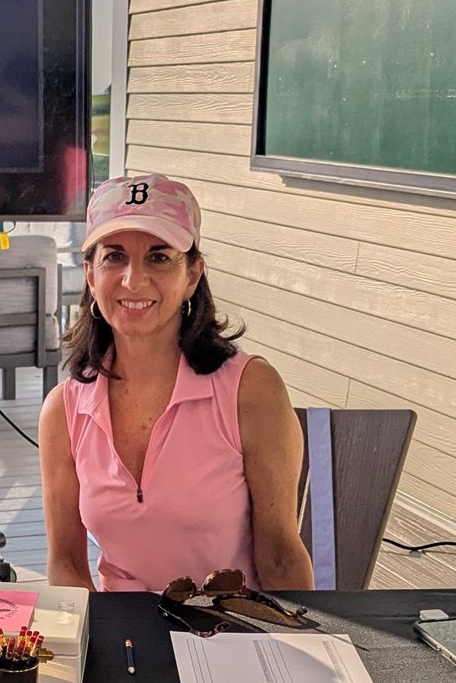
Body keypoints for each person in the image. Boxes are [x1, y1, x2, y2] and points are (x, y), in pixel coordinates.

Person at [40, 174, 314, 594]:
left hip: (232, 624)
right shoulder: (63, 410)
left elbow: (280, 556)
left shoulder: (251, 390)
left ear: (192, 275)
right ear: (91, 276)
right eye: (114, 257)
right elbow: (66, 563)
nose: (133, 280)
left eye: (159, 257)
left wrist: (293, 635)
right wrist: (95, 633)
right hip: (121, 629)